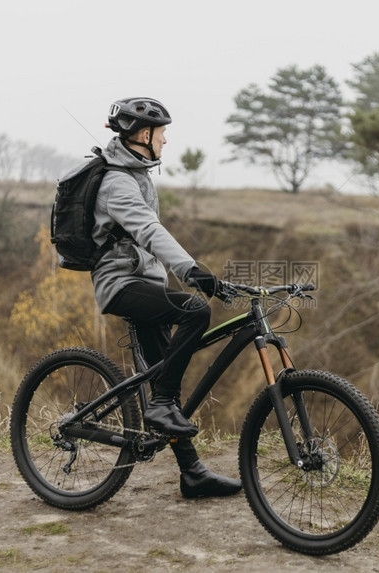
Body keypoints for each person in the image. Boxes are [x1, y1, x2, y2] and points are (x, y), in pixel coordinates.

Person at [90, 97, 241, 499]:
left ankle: (191, 473)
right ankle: (160, 404)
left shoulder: (137, 175)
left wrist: (210, 279)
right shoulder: (117, 182)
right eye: (162, 134)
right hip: (120, 284)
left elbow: (151, 239)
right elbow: (150, 232)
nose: (166, 141)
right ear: (144, 135)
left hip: (144, 283)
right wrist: (192, 272)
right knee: (194, 311)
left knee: (161, 378)